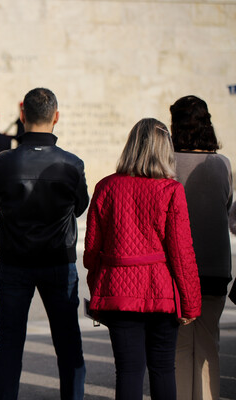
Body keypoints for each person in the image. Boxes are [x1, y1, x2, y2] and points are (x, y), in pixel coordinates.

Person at [84, 118, 202, 400]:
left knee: (127, 370)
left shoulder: (106, 187)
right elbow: (182, 253)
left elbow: (91, 250)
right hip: (161, 292)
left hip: (119, 290)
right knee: (163, 369)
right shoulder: (171, 191)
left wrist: (98, 287)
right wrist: (190, 304)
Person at [0, 88, 88, 400]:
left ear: (22, 116)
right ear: (56, 117)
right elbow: (80, 207)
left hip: (15, 262)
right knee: (69, 343)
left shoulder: (4, 162)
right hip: (58, 260)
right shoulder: (72, 164)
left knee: (10, 344)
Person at [169, 95, 232, 400]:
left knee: (180, 347)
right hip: (215, 265)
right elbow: (226, 205)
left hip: (177, 268)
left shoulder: (168, 163)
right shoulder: (221, 164)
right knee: (209, 346)